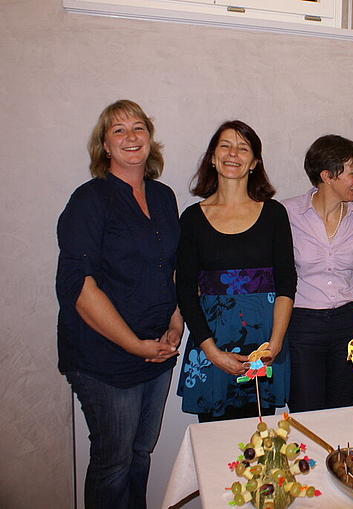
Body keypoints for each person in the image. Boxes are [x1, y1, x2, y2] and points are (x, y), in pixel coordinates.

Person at [56, 99, 182, 509]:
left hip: (157, 349)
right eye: (118, 130)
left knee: (140, 454)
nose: (131, 137)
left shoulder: (163, 197)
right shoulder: (89, 200)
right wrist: (132, 344)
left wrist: (176, 324)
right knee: (112, 464)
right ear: (105, 146)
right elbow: (78, 285)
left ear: (150, 138)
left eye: (139, 127)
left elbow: (173, 269)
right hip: (105, 356)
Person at [176, 120, 296, 421]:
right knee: (215, 449)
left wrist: (276, 343)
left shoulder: (274, 214)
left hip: (265, 345)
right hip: (212, 343)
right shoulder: (192, 218)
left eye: (243, 148)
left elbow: (286, 283)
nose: (234, 154)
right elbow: (185, 291)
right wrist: (212, 353)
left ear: (254, 162)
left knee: (263, 445)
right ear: (213, 158)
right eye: (225, 146)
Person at [282, 135, 353, 412]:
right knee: (305, 411)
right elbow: (279, 275)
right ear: (328, 176)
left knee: (341, 411)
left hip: (349, 323)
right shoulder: (286, 213)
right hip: (302, 324)